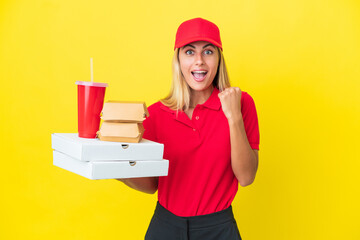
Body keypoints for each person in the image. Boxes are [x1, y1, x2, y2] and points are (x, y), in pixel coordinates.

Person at [118, 17, 260, 240]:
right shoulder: (155, 115)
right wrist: (115, 169)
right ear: (178, 60)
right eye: (190, 52)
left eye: (208, 52)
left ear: (219, 59)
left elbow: (246, 177)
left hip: (218, 229)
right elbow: (151, 186)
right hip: (165, 227)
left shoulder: (241, 104)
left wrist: (233, 117)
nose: (199, 61)